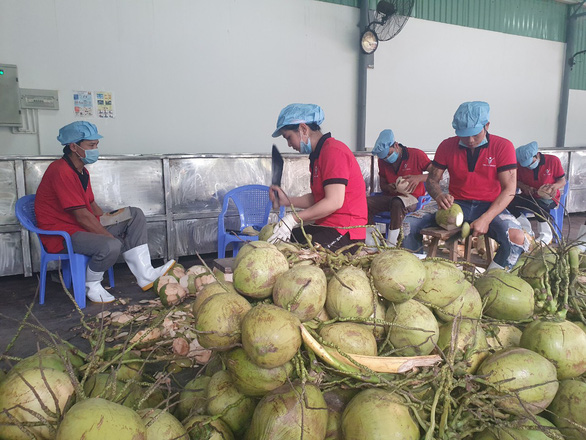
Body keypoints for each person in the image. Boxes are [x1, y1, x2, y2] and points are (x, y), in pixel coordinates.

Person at [35, 121, 175, 303]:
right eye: (91, 145)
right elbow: (81, 215)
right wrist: (108, 236)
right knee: (110, 246)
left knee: (134, 214)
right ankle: (91, 285)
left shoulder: (81, 171)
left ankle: (145, 274)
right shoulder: (60, 171)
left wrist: (108, 222)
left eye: (96, 145)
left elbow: (91, 205)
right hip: (62, 235)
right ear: (73, 146)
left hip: (79, 226)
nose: (95, 149)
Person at [402, 101, 526, 270]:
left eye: (475, 134)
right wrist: (439, 196)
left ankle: (492, 281)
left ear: (487, 126)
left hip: (490, 207)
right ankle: (416, 273)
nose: (470, 140)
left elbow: (509, 189)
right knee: (409, 224)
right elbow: (432, 180)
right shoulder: (447, 145)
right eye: (464, 135)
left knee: (516, 238)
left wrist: (486, 218)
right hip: (456, 204)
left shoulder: (503, 147)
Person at [268, 103, 367, 252]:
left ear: (303, 129)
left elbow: (333, 202)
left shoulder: (334, 151)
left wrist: (292, 219)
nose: (289, 144)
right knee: (278, 245)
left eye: (289, 138)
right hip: (326, 226)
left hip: (345, 231)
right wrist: (288, 201)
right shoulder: (318, 156)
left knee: (294, 256)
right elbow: (319, 198)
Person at [367, 129, 431, 246]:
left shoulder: (416, 154)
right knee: (364, 203)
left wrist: (418, 178)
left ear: (396, 145)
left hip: (412, 198)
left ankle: (391, 243)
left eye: (389, 154)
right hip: (391, 197)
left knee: (397, 202)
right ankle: (372, 241)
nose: (387, 159)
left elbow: (436, 174)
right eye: (384, 158)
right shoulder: (383, 161)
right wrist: (388, 187)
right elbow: (382, 184)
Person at [507, 141, 567, 245]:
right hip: (529, 195)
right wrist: (524, 187)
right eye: (525, 165)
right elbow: (515, 181)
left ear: (537, 155)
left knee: (539, 206)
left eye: (530, 163)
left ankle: (546, 236)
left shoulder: (553, 161)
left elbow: (562, 181)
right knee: (508, 203)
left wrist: (554, 186)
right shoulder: (519, 165)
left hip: (548, 198)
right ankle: (526, 231)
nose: (528, 166)